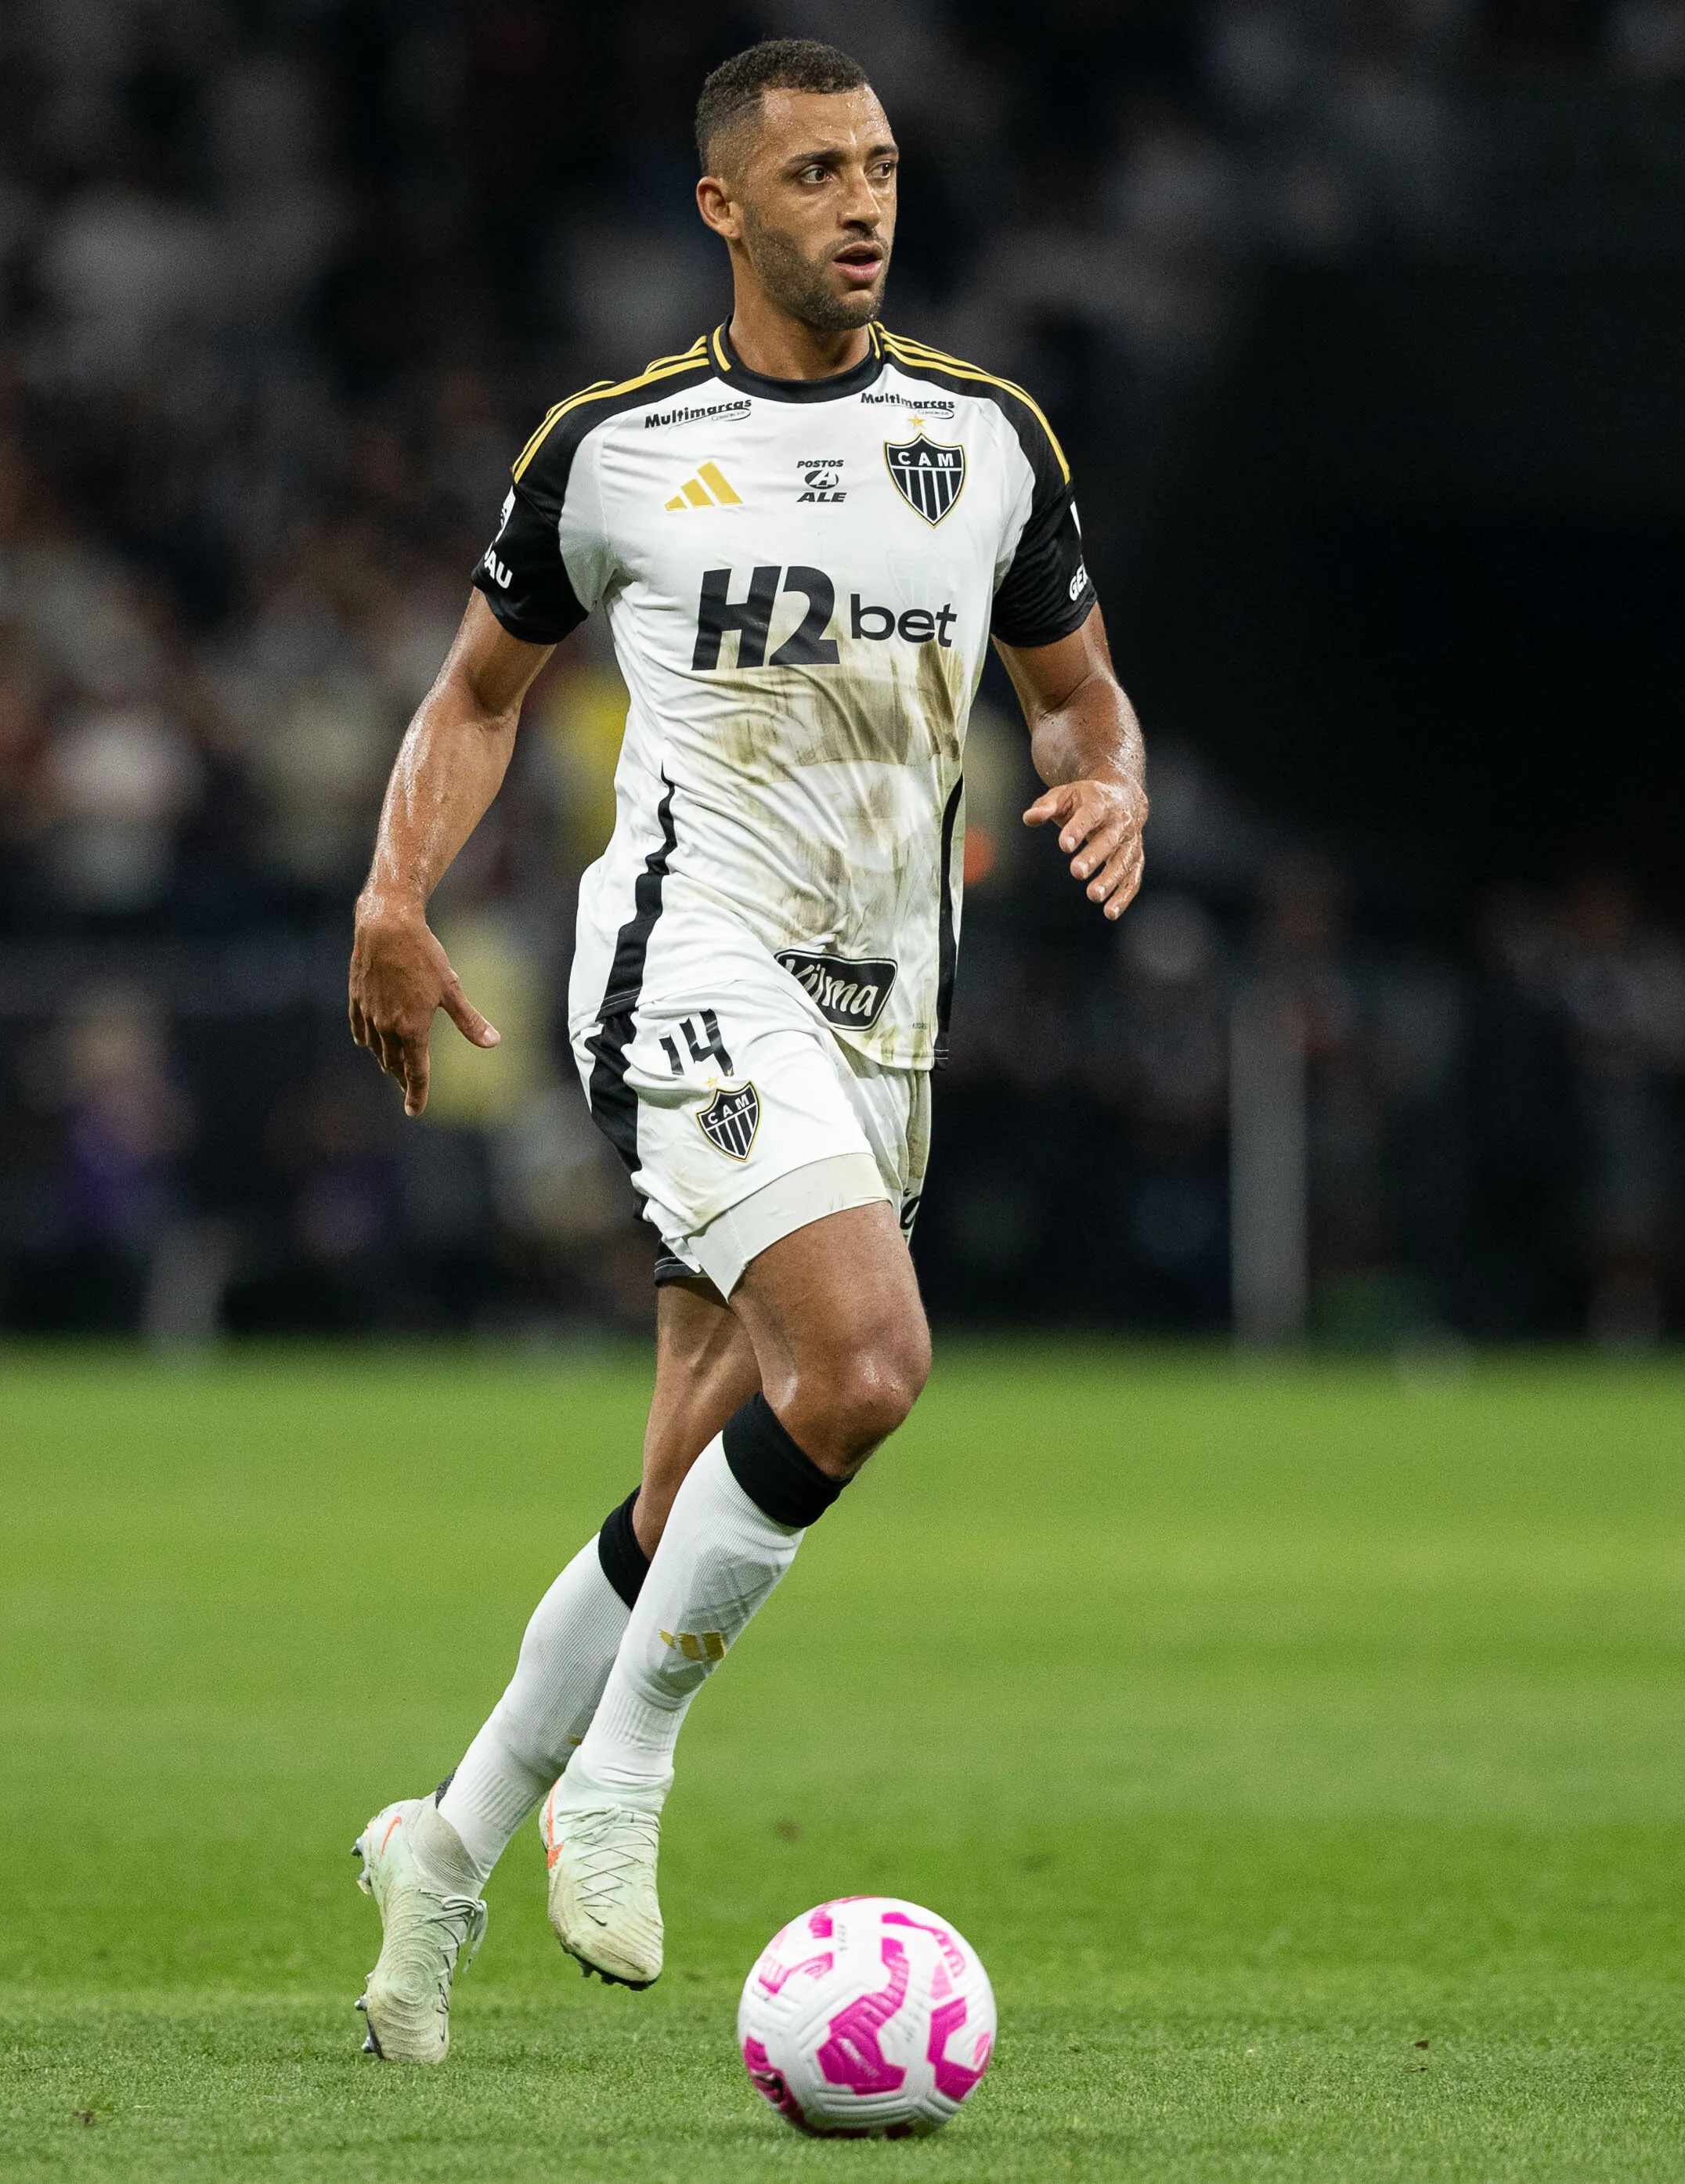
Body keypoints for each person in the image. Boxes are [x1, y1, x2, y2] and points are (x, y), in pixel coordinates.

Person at [338, 38, 1148, 2063]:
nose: (861, 204)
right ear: (724, 208)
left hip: (892, 998)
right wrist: (390, 889)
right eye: (812, 174)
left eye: (876, 167)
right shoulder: (613, 447)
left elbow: (1078, 697)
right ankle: (622, 1779)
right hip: (690, 950)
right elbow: (474, 692)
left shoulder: (988, 439)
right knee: (866, 1361)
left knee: (699, 1453)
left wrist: (1103, 776)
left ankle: (439, 1852)